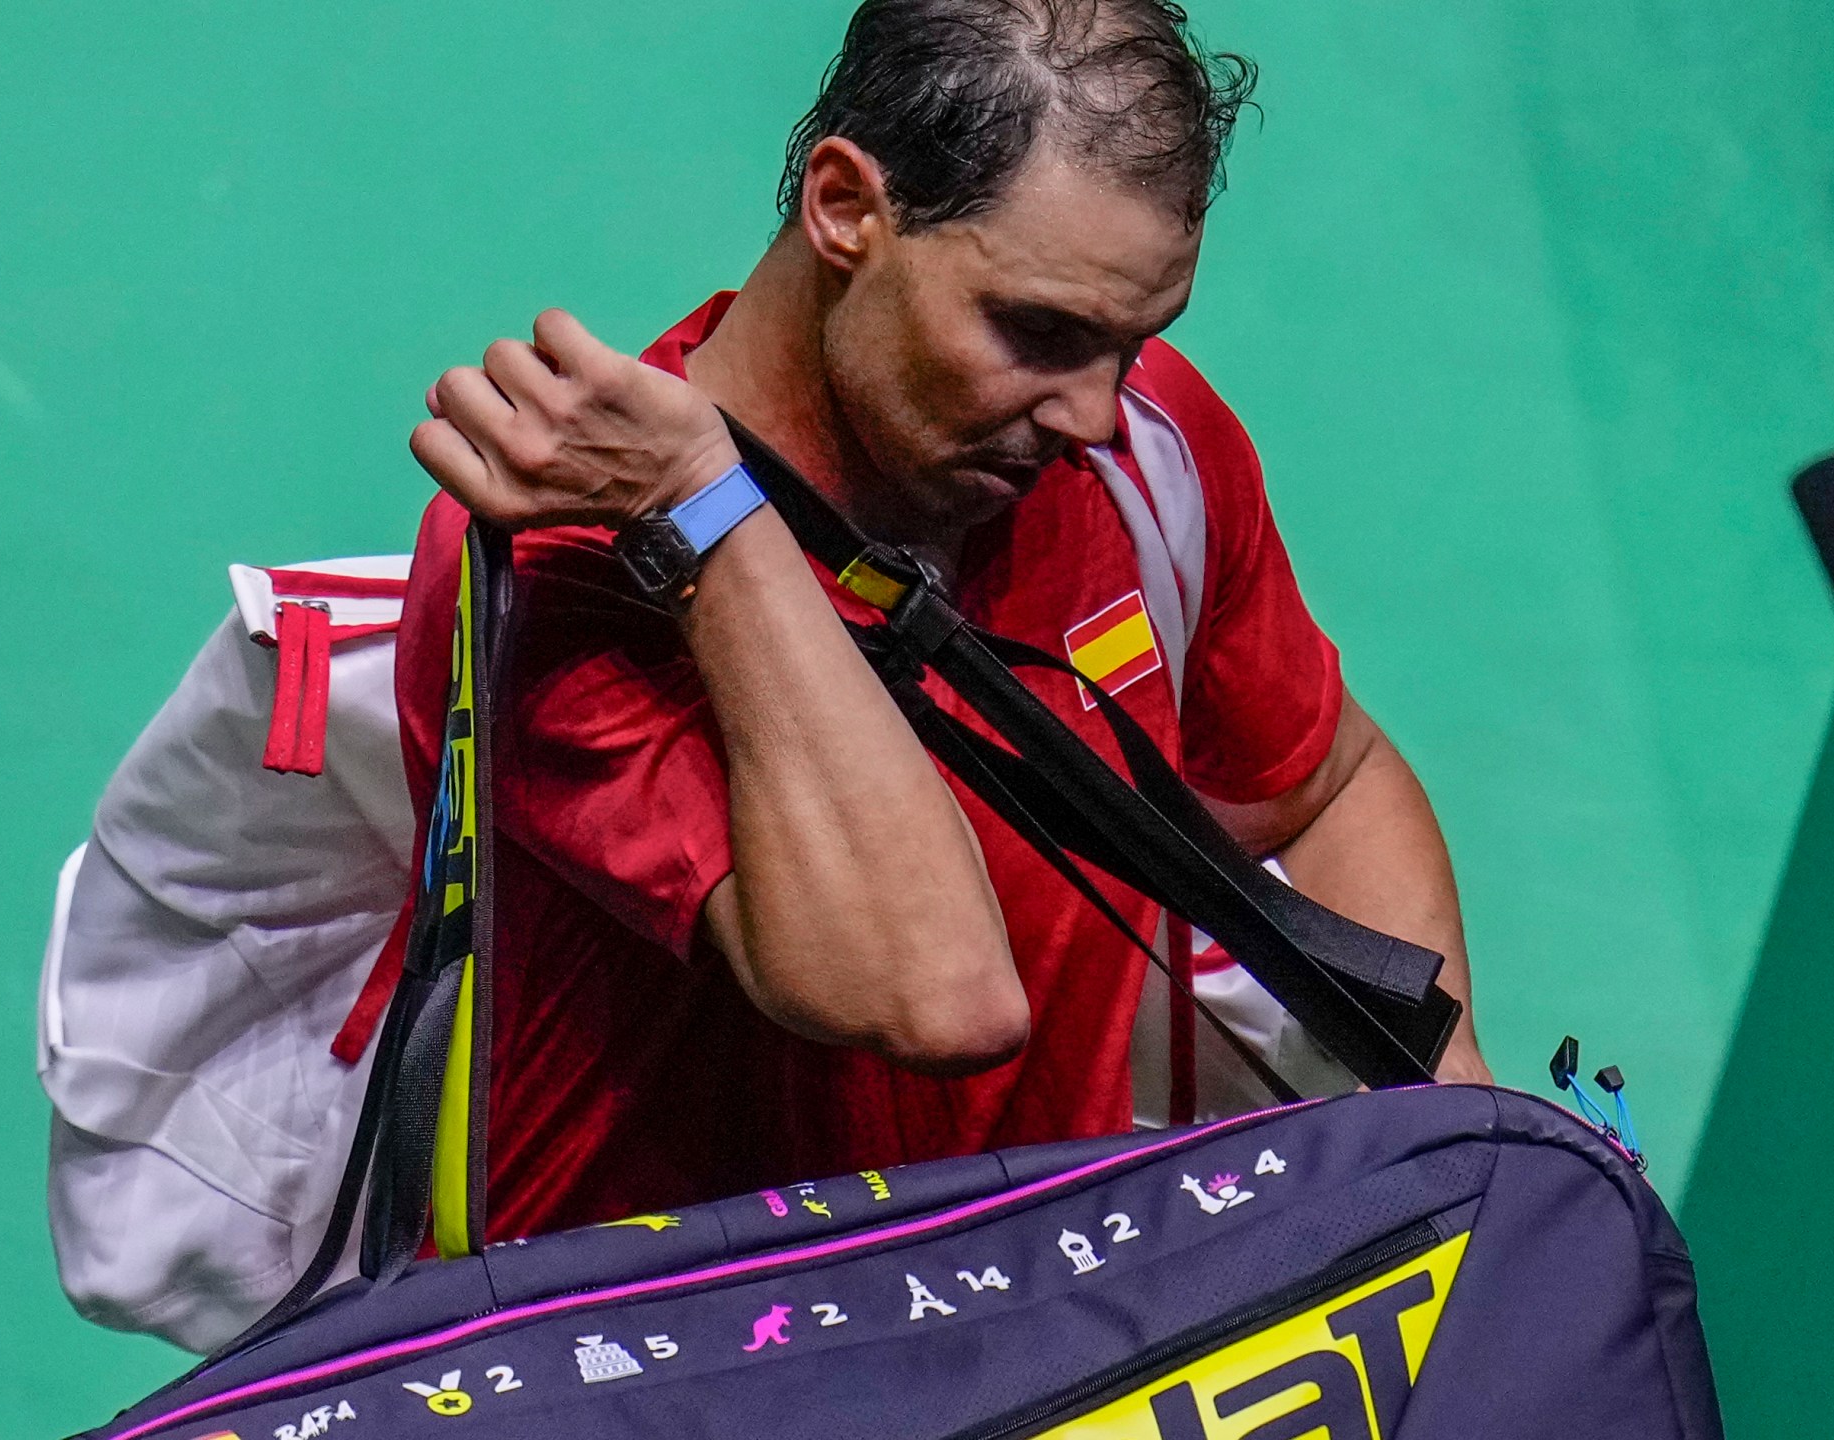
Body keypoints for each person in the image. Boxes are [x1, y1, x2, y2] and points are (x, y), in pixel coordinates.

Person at [395, 0, 1488, 1242]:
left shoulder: (1140, 457)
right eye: (1037, 332)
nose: (1090, 412)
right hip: (679, 1358)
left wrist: (1445, 1129)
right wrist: (709, 513)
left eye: (1132, 346)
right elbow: (934, 999)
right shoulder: (578, 559)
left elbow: (1322, 778)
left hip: (1035, 1325)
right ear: (848, 208)